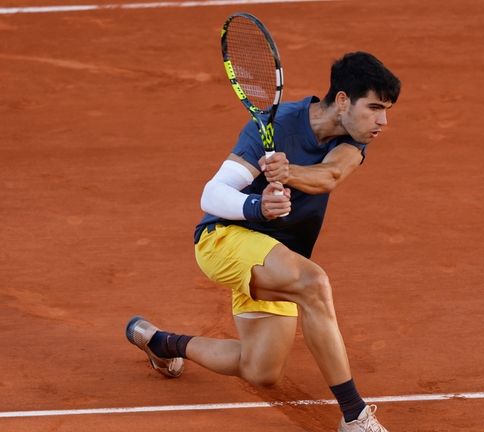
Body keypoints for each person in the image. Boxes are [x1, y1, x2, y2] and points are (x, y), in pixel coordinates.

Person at [125, 51, 400, 432]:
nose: (382, 121)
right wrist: (257, 205)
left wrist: (288, 172)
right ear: (341, 100)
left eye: (386, 110)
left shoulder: (352, 140)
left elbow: (329, 177)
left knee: (261, 370)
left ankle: (161, 342)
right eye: (374, 108)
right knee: (314, 285)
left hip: (277, 257)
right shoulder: (273, 125)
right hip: (224, 240)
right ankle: (355, 415)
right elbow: (212, 194)